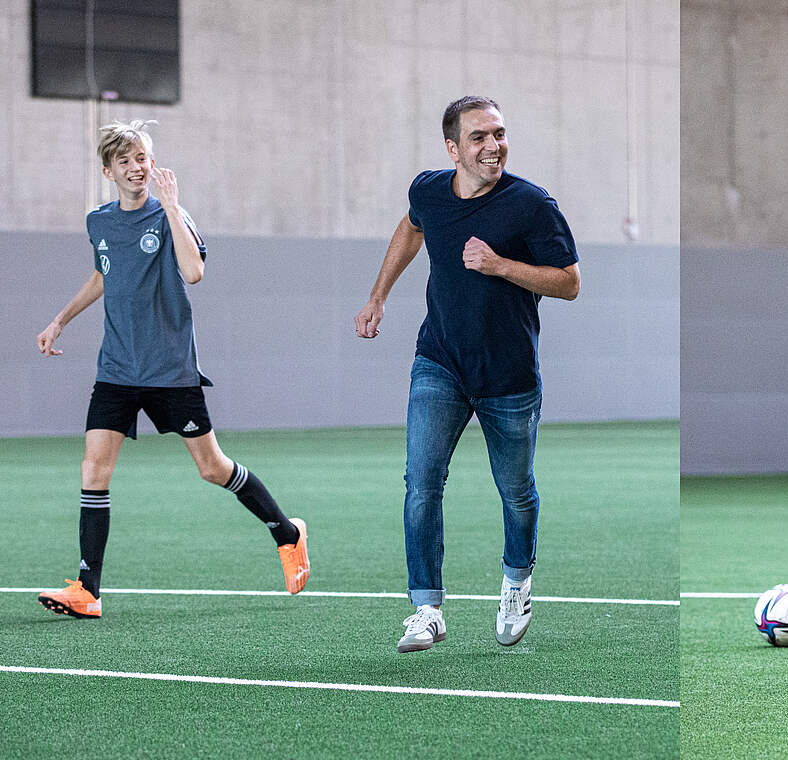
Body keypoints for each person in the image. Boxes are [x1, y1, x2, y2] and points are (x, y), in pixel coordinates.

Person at [35, 120, 310, 619]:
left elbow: (193, 272)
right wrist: (60, 320)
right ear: (108, 171)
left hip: (170, 369)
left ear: (152, 162)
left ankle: (287, 533)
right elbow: (104, 273)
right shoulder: (99, 221)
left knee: (212, 468)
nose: (136, 167)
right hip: (117, 367)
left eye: (141, 157)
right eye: (125, 161)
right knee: (94, 468)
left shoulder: (170, 215)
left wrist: (171, 208)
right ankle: (88, 589)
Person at [354, 96, 580, 653]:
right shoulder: (428, 190)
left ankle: (516, 582)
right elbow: (412, 229)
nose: (493, 146)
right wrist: (378, 296)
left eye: (499, 134)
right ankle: (426, 608)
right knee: (421, 484)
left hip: (509, 376)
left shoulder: (531, 205)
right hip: (440, 363)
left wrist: (500, 265)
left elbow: (569, 282)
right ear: (452, 148)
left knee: (517, 492)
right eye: (479, 137)